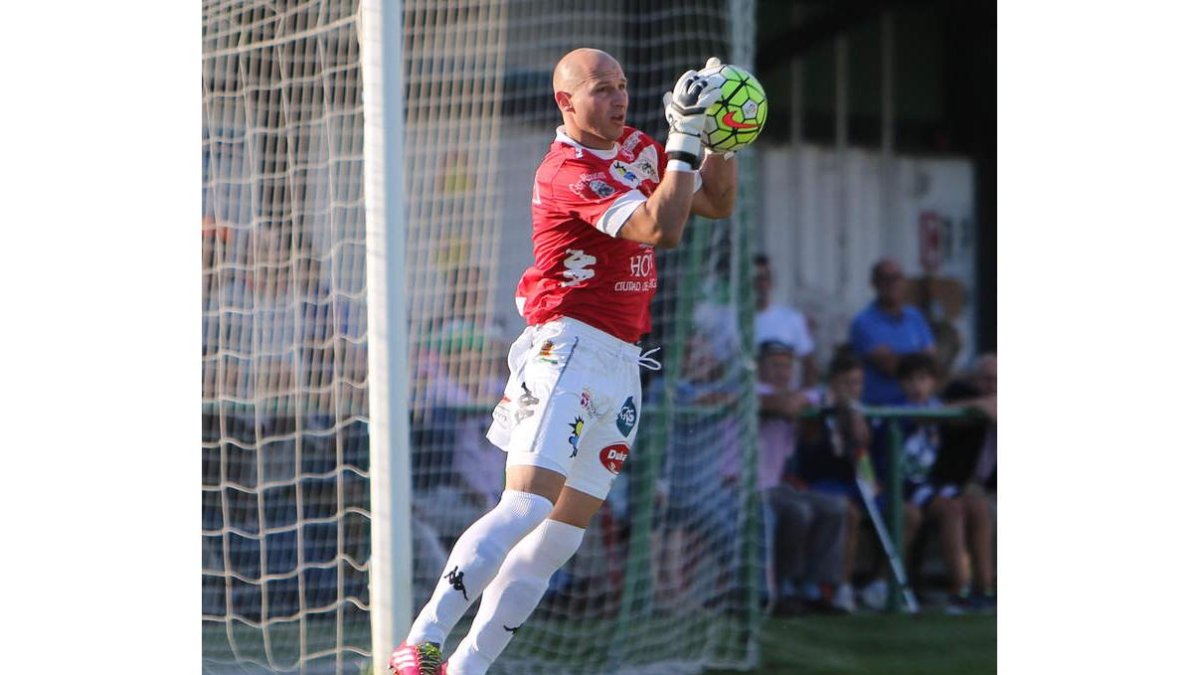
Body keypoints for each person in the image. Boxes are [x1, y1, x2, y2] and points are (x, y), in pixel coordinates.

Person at [390, 48, 739, 675]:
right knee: (524, 506)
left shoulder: (634, 144)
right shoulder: (566, 169)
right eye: (602, 89)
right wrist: (685, 135)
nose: (619, 99)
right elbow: (661, 229)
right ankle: (421, 643)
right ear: (566, 101)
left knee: (558, 540)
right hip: (568, 347)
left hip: (624, 362)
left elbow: (713, 204)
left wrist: (722, 136)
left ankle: (467, 667)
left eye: (623, 86)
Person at [752, 341, 848, 614]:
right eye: (775, 365)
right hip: (745, 484)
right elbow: (786, 404)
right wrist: (813, 397)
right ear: (760, 367)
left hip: (777, 484)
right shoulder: (754, 391)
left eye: (787, 366)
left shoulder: (795, 396)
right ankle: (782, 587)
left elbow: (816, 418)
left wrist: (818, 401)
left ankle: (816, 588)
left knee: (835, 507)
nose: (782, 372)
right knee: (797, 511)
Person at [894, 353, 994, 614]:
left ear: (934, 383)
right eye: (910, 380)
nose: (917, 386)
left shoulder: (942, 403)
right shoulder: (897, 407)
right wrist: (983, 404)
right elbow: (925, 417)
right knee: (951, 510)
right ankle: (958, 591)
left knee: (978, 506)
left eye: (923, 379)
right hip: (907, 484)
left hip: (933, 482)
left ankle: (986, 589)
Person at [849, 258, 937, 405]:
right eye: (885, 279)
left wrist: (902, 357)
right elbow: (891, 366)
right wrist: (917, 358)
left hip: (920, 405)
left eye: (897, 278)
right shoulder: (863, 322)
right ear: (874, 283)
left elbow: (930, 362)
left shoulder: (915, 317)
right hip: (884, 409)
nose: (892, 284)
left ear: (904, 282)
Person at [753, 254, 819, 387]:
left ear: (771, 282)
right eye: (755, 279)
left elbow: (809, 364)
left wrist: (803, 397)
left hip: (781, 402)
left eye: (764, 279)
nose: (760, 285)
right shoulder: (729, 319)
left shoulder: (792, 319)